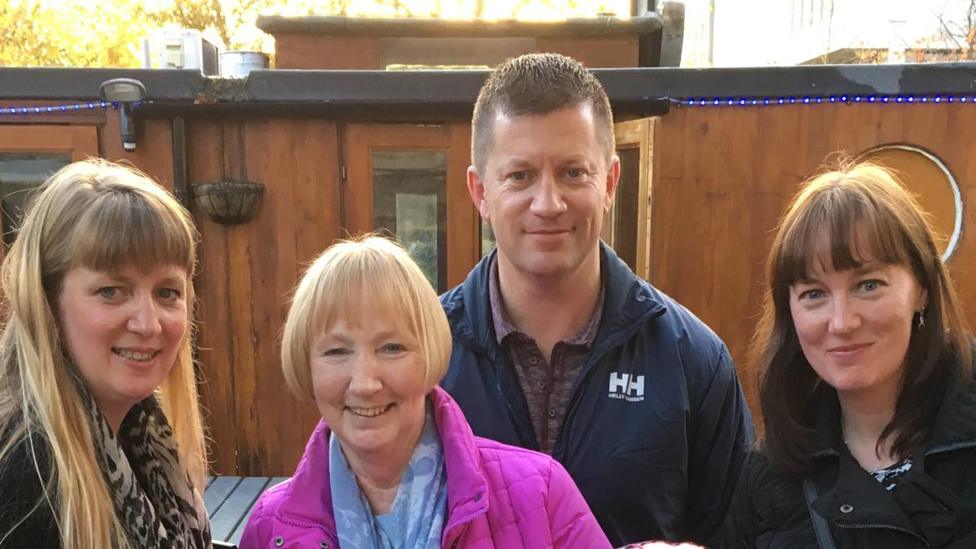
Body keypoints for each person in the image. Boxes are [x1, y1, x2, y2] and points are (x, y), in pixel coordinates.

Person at [439, 52, 754, 546]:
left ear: (609, 182)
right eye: (519, 176)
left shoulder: (693, 360)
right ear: (480, 191)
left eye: (572, 173)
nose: (548, 203)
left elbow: (743, 536)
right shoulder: (421, 358)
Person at [239, 235, 610, 549]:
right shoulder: (270, 528)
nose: (366, 383)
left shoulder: (541, 493)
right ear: (306, 366)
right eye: (336, 352)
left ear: (430, 353)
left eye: (392, 348)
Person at [725, 161, 976, 548]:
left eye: (868, 284)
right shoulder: (770, 474)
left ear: (922, 288)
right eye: (814, 294)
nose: (841, 322)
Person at [0, 159, 210, 548]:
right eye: (112, 291)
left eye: (167, 292)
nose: (148, 324)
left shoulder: (141, 438)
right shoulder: (24, 476)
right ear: (45, 302)